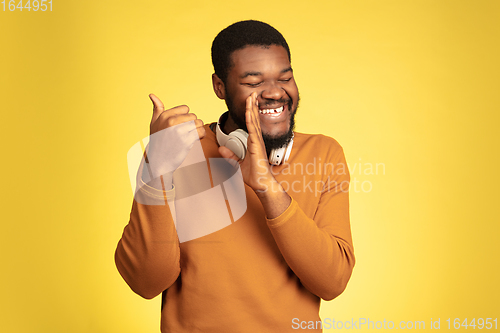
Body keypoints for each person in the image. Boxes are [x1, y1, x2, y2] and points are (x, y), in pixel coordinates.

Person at [115, 20, 355, 332]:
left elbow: (332, 281)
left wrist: (267, 187)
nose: (274, 93)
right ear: (219, 86)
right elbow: (145, 281)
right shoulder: (175, 152)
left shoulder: (324, 154)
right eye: (253, 83)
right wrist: (156, 171)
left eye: (285, 78)